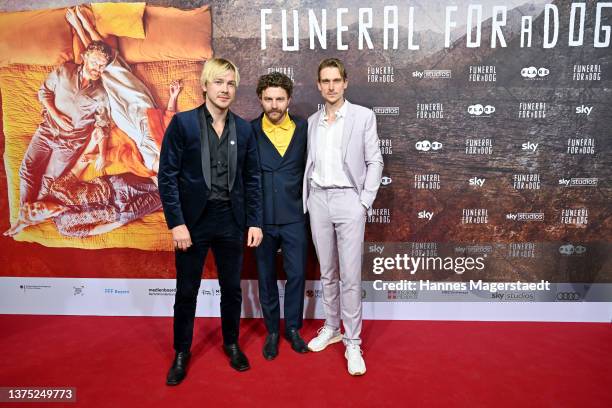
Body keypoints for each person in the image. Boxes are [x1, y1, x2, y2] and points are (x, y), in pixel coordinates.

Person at [159, 58, 263, 385]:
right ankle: (181, 352)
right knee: (186, 290)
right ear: (205, 85)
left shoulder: (244, 129)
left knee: (231, 289)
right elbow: (167, 177)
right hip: (193, 221)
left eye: (231, 84)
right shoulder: (183, 124)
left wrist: (255, 222)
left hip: (231, 220)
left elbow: (252, 179)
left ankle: (231, 344)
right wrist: (177, 223)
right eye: (219, 82)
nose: (225, 89)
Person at [3, 80, 183, 238]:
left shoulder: (56, 189)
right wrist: (120, 221)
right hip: (122, 213)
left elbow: (77, 167)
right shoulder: (64, 228)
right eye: (35, 213)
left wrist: (92, 143)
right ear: (38, 220)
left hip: (116, 187)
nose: (38, 208)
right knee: (166, 199)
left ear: (38, 201)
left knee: (163, 185)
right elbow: (94, 230)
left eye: (34, 206)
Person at [304, 58, 384, 376]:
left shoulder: (363, 117)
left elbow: (375, 161)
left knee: (350, 276)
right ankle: (331, 327)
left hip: (350, 200)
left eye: (336, 80)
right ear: (319, 85)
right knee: (327, 272)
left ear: (345, 82)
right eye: (325, 81)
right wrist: (309, 198)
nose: (331, 86)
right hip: (319, 199)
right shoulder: (312, 121)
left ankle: (353, 341)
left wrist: (364, 202)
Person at [251, 72, 308, 360]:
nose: (274, 105)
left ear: (289, 100)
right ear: (260, 99)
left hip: (296, 215)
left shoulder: (305, 129)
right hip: (261, 221)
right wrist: (251, 220)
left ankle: (294, 329)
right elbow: (246, 180)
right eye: (269, 99)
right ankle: (272, 331)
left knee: (297, 274)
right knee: (266, 276)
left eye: (280, 99)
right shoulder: (249, 131)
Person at [66, 6, 160, 172]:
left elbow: (124, 156)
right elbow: (171, 120)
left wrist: (98, 156)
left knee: (104, 73)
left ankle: (82, 28)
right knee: (112, 68)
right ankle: (85, 27)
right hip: (144, 110)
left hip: (126, 121)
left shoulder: (149, 168)